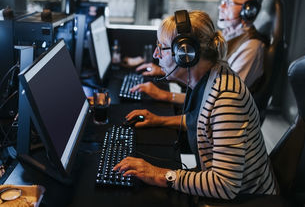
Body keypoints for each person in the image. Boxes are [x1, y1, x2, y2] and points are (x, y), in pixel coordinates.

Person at [113, 10, 277, 199]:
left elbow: (225, 185)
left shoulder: (226, 98)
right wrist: (159, 120)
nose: (156, 53)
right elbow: (202, 122)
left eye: (162, 47)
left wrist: (159, 174)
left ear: (186, 55)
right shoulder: (210, 78)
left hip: (248, 200)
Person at [131, 0, 268, 103]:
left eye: (229, 2)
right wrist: (165, 69)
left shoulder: (252, 47)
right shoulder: (227, 34)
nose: (221, 6)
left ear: (249, 10)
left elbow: (222, 97)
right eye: (222, 1)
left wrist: (165, 95)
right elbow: (201, 72)